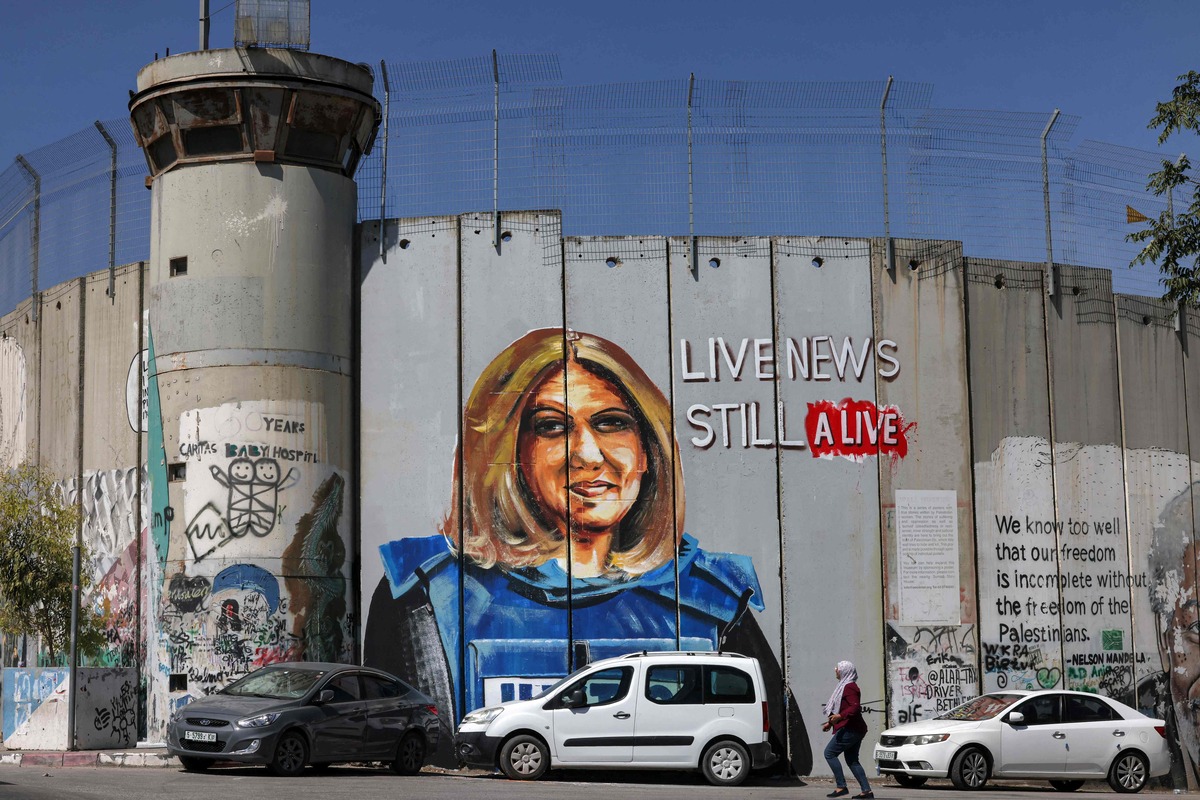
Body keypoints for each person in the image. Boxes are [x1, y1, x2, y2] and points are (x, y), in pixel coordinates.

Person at [364, 328, 810, 773]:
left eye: (611, 422)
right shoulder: (428, 594)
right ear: (508, 450)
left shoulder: (709, 596)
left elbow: (785, 755)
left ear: (648, 447)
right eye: (553, 427)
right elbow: (417, 753)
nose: (589, 454)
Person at [822, 660, 872, 799]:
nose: (835, 669)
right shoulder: (843, 686)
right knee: (852, 760)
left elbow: (854, 707)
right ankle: (866, 792)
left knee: (829, 753)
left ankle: (841, 786)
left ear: (845, 671)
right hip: (855, 728)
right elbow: (839, 708)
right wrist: (830, 723)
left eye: (838, 668)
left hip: (852, 729)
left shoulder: (849, 687)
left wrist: (840, 716)